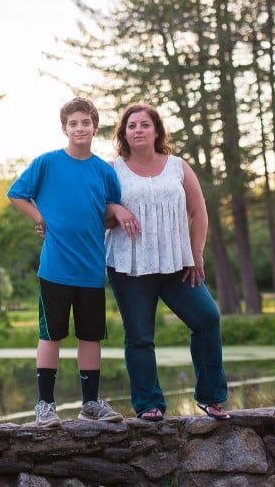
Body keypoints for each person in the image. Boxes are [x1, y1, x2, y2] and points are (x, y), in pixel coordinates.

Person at [7, 96, 137, 426]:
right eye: (73, 123)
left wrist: (116, 211)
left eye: (85, 122)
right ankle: (46, 405)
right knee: (50, 335)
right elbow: (16, 194)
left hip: (91, 269)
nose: (80, 128)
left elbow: (107, 213)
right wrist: (41, 218)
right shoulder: (47, 163)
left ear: (95, 126)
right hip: (55, 268)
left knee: (90, 337)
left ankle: (90, 404)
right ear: (64, 128)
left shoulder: (104, 171)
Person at [105, 103, 230, 421]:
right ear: (124, 133)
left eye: (145, 124)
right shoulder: (113, 170)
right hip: (129, 265)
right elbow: (100, 216)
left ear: (157, 131)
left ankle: (211, 398)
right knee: (140, 336)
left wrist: (196, 254)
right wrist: (117, 210)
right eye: (131, 126)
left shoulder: (178, 166)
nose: (138, 130)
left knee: (207, 318)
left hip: (177, 264)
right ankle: (149, 405)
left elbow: (199, 211)